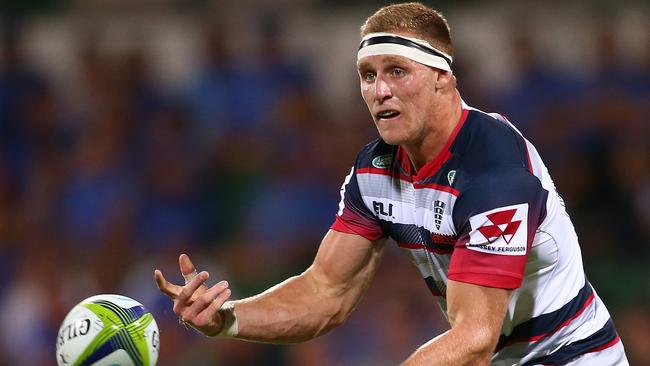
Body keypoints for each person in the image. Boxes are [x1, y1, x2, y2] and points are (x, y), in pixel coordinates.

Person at [155, 3, 629, 365]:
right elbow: (325, 293)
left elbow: (476, 338)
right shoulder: (375, 172)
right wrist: (227, 319)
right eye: (367, 75)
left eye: (396, 72)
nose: (379, 91)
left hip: (574, 355)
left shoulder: (496, 175)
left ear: (443, 78)